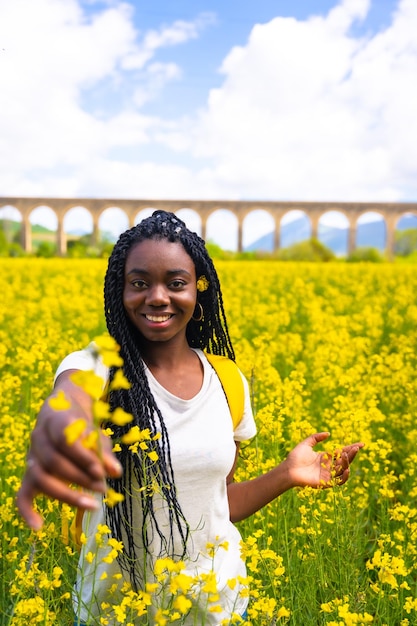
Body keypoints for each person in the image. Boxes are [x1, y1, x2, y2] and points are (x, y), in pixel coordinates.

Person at [16, 210, 363, 625]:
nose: (158, 297)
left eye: (175, 283)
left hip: (215, 608)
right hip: (115, 612)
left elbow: (217, 503)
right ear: (119, 291)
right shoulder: (96, 364)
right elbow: (68, 399)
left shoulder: (228, 381)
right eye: (139, 283)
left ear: (198, 292)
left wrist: (285, 475)